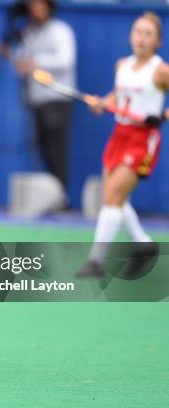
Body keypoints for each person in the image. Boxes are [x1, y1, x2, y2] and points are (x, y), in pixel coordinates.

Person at [76, 12, 169, 278]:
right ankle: (143, 244)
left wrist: (162, 116)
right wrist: (102, 103)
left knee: (112, 197)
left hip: (143, 139)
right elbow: (119, 95)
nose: (141, 38)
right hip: (120, 134)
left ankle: (96, 260)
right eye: (138, 32)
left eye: (148, 34)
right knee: (114, 196)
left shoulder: (161, 71)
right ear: (131, 36)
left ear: (158, 42)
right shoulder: (122, 65)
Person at [1, 0, 76, 192]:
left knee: (56, 148)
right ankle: (52, 195)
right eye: (32, 6)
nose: (36, 10)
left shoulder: (61, 30)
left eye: (40, 5)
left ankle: (62, 195)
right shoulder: (30, 33)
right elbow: (22, 63)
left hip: (57, 98)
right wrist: (10, 54)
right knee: (43, 148)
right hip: (37, 99)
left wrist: (35, 62)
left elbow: (66, 60)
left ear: (49, 7)